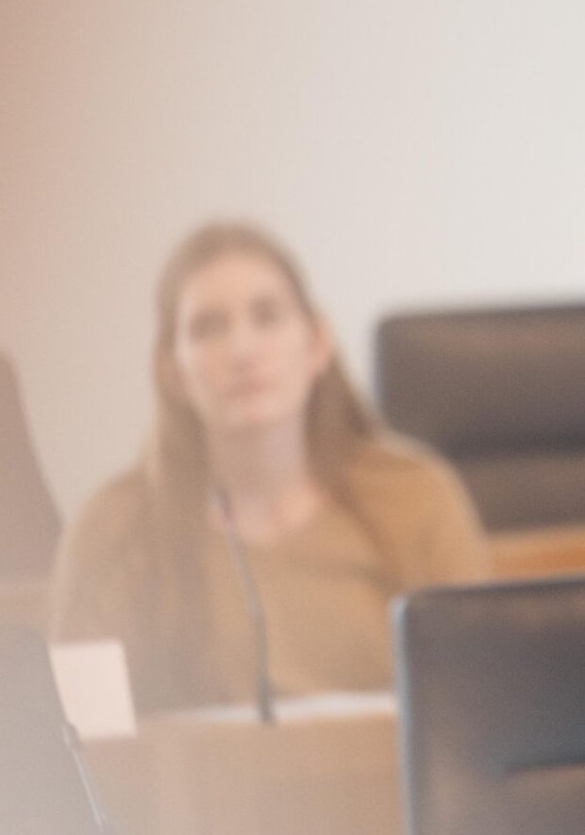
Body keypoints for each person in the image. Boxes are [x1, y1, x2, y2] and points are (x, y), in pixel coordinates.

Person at [49, 221, 492, 710]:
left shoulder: (415, 495)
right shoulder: (114, 529)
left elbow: (477, 702)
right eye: (208, 328)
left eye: (268, 316)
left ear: (318, 343)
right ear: (172, 370)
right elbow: (85, 742)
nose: (242, 351)